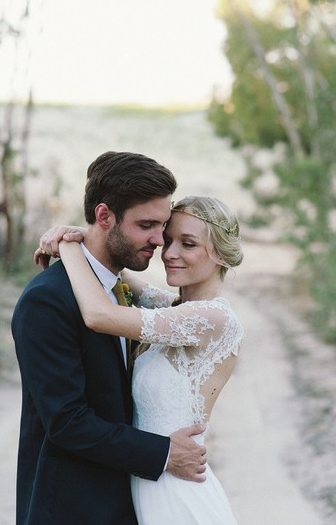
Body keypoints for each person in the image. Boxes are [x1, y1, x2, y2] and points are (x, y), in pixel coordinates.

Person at [11, 152, 207, 525]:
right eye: (146, 225)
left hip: (129, 504)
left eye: (162, 225)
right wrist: (165, 453)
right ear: (104, 216)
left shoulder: (119, 290)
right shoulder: (47, 300)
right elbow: (67, 421)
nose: (159, 240)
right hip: (71, 510)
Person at [38, 195, 244, 525]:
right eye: (168, 239)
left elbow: (99, 314)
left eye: (188, 243)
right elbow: (117, 274)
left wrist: (68, 246)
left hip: (177, 490)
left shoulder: (212, 318)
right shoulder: (175, 309)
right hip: (148, 481)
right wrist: (82, 235)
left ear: (220, 252)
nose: (170, 253)